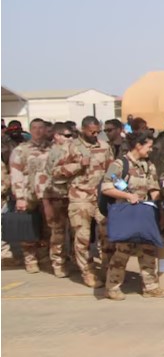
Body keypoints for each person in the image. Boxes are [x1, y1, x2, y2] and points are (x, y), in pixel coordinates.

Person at [101, 130, 164, 300]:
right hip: (126, 214)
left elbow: (153, 188)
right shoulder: (119, 165)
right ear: (138, 146)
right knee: (123, 251)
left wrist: (159, 200)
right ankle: (113, 287)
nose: (151, 150)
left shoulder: (149, 165)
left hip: (144, 214)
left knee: (148, 250)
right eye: (148, 146)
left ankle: (151, 287)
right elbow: (106, 187)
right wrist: (128, 196)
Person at [52, 116, 114, 287]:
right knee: (83, 238)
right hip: (80, 198)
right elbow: (55, 171)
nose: (95, 135)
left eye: (98, 131)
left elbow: (112, 170)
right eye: (92, 132)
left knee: (107, 235)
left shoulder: (104, 146)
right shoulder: (70, 147)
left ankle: (109, 269)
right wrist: (78, 165)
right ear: (83, 129)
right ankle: (88, 272)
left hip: (101, 197)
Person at [8, 119, 51, 274]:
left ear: (46, 129)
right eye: (34, 128)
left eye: (41, 128)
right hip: (28, 194)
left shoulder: (52, 148)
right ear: (30, 130)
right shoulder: (22, 150)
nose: (38, 131)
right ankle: (30, 259)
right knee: (28, 227)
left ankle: (44, 257)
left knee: (47, 229)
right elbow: (16, 173)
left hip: (47, 196)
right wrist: (19, 197)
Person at [43, 122, 74, 278]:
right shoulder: (51, 153)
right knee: (58, 232)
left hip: (73, 196)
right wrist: (46, 202)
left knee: (76, 232)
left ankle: (74, 260)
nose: (70, 138)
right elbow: (44, 179)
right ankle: (58, 263)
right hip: (57, 196)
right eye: (67, 135)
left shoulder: (73, 150)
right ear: (57, 136)